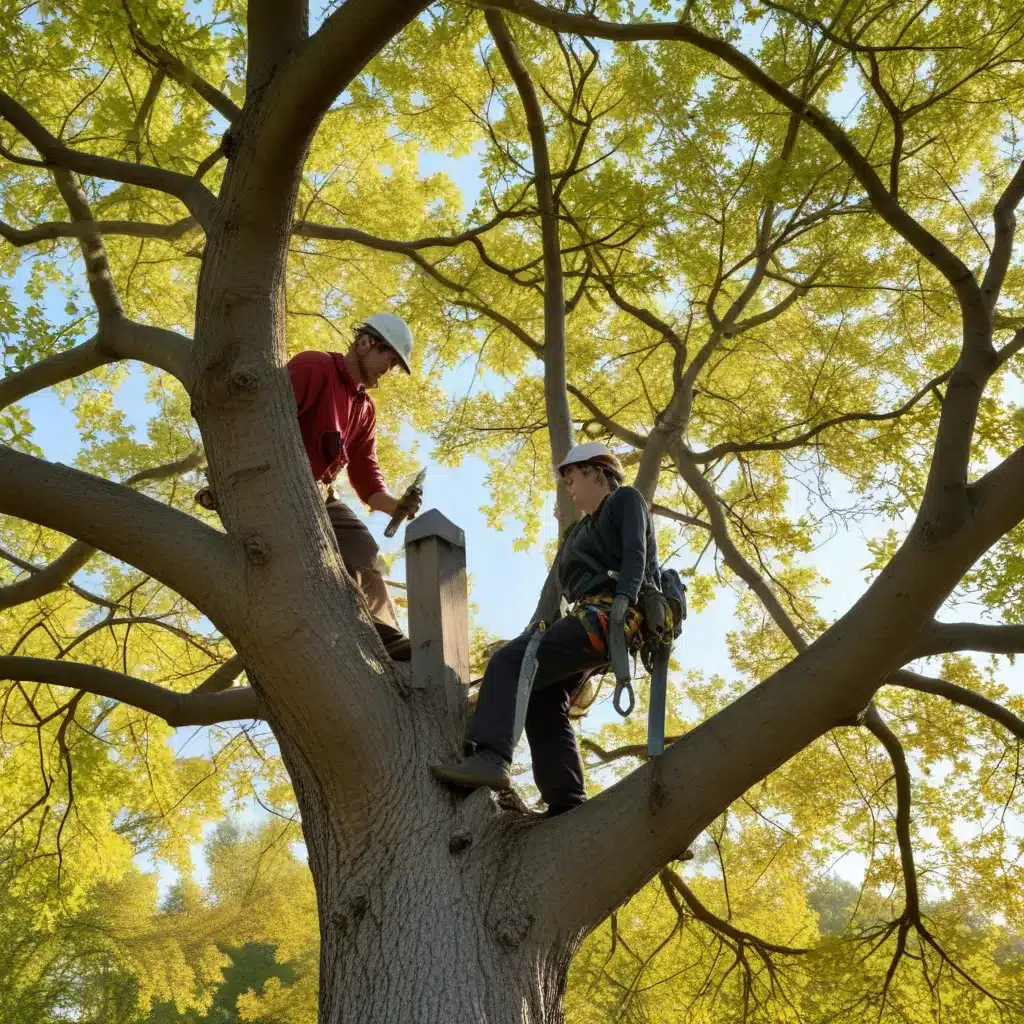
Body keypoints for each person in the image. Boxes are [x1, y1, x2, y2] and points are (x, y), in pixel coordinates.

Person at [430, 441, 659, 816]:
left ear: (596, 472)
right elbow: (552, 594)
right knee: (543, 699)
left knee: (508, 663)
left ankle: (492, 757)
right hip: (585, 622)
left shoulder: (625, 500)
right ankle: (565, 799)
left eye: (572, 478)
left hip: (607, 617)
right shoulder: (575, 535)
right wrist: (533, 631)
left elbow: (638, 552)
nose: (568, 488)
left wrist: (623, 599)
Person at [287, 314, 422, 661]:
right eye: (387, 361)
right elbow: (257, 419)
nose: (386, 371)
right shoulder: (313, 367)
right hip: (281, 480)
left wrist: (397, 507)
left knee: (360, 544)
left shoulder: (364, 410)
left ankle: (386, 638)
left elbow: (365, 475)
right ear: (365, 344)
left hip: (321, 494)